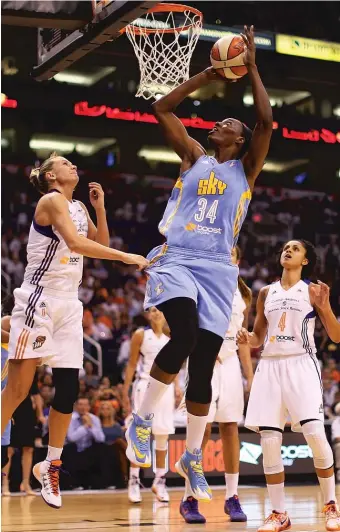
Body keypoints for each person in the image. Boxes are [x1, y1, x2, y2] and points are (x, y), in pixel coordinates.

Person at [125, 25, 272, 507]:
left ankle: (191, 457)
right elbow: (161, 108)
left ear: (239, 137)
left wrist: (251, 69)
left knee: (204, 363)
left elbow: (268, 124)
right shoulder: (193, 157)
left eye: (228, 122)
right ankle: (142, 419)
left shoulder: (243, 170)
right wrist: (204, 76)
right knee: (184, 337)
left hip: (218, 269)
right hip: (180, 258)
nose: (218, 123)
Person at [1, 152, 148, 509]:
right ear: (52, 176)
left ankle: (50, 464)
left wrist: (99, 209)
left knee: (68, 387)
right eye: (65, 163)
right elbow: (79, 245)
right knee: (19, 388)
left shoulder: (78, 206)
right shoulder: (50, 201)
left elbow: (98, 244)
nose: (72, 166)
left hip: (69, 303)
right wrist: (129, 258)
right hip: (41, 297)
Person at [237, 239, 340, 532]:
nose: (288, 250)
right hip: (269, 365)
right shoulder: (266, 292)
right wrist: (249, 339)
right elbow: (259, 336)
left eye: (295, 249)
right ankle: (279, 513)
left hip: (300, 364)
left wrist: (326, 306)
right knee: (269, 440)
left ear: (305, 261)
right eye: (286, 247)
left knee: (315, 434)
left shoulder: (312, 290)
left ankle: (331, 505)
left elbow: (336, 335)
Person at [181, 246, 253, 523]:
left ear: (237, 259)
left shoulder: (243, 294)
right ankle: (189, 498)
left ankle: (232, 496)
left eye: (231, 253)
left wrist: (250, 375)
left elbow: (243, 339)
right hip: (205, 358)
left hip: (231, 360)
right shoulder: (203, 283)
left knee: (230, 426)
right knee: (200, 428)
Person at [123, 307, 179, 503]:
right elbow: (131, 364)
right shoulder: (141, 334)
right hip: (144, 385)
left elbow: (176, 363)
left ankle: (160, 480)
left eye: (160, 310)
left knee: (162, 435)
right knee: (140, 435)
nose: (156, 313)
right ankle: (134, 481)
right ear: (148, 314)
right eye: (153, 310)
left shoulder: (172, 334)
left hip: (166, 387)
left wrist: (178, 386)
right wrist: (125, 391)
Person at [63, 397, 107, 490]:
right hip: (74, 449)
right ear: (76, 406)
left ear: (89, 407)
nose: (83, 407)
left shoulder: (94, 419)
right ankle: (74, 484)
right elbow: (71, 438)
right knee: (70, 448)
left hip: (88, 450)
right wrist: (85, 426)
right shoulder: (69, 418)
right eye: (80, 404)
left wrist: (91, 426)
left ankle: (99, 483)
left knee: (102, 448)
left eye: (85, 405)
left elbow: (101, 438)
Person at [99, 401, 129, 488]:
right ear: (100, 411)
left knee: (120, 448)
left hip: (117, 450)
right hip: (103, 448)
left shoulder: (116, 425)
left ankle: (124, 477)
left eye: (108, 409)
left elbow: (122, 437)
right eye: (103, 409)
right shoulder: (98, 425)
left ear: (111, 411)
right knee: (119, 442)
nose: (105, 411)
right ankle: (132, 457)